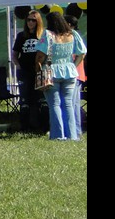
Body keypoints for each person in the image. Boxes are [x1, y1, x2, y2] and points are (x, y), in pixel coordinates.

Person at [36, 11, 87, 141]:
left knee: (54, 104)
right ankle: (72, 135)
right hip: (69, 70)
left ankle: (58, 134)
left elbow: (40, 56)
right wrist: (73, 65)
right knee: (68, 104)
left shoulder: (48, 35)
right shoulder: (73, 34)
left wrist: (39, 68)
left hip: (51, 70)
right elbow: (82, 53)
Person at [12, 9, 47, 131]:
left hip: (40, 71)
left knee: (41, 99)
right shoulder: (21, 36)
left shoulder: (43, 35)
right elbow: (14, 54)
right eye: (28, 20)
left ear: (38, 22)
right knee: (24, 100)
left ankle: (43, 126)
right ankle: (25, 127)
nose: (30, 22)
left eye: (33, 20)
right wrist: (18, 65)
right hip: (24, 71)